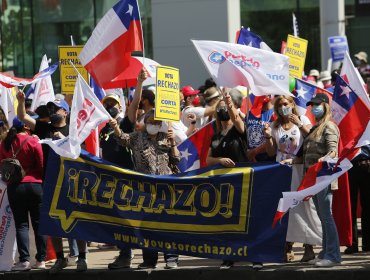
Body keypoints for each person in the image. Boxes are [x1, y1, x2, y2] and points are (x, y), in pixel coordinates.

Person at [17, 92, 89, 273]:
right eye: (51, 109)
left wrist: (65, 141)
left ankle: (82, 257)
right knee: (53, 222)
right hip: (50, 182)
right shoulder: (43, 128)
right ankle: (60, 258)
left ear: (65, 112)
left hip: (71, 183)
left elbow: (82, 156)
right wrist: (20, 101)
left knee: (75, 220)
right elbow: (22, 117)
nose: (52, 112)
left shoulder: (75, 130)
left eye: (56, 109)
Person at [110, 109, 180, 269]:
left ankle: (171, 258)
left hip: (165, 188)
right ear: (145, 123)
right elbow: (122, 139)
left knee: (166, 224)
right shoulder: (137, 137)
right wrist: (115, 127)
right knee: (146, 225)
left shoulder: (165, 138)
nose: (153, 125)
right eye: (150, 122)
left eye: (156, 123)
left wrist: (173, 142)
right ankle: (149, 260)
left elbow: (176, 159)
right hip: (144, 188)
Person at [264, 95, 322, 263]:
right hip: (282, 172)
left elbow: (313, 138)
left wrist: (299, 123)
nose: (284, 107)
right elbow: (270, 152)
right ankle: (286, 247)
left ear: (292, 104)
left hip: (300, 169)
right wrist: (267, 136)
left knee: (303, 208)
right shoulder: (275, 126)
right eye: (280, 104)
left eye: (286, 103)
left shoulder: (302, 119)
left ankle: (309, 248)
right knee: (285, 210)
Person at [206, 88, 249, 269]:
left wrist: (228, 101)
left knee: (243, 218)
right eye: (220, 108)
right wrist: (219, 160)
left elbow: (236, 118)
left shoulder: (239, 129)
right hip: (223, 184)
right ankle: (228, 255)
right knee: (226, 219)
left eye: (225, 107)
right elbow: (208, 159)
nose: (223, 110)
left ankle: (250, 253)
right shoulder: (216, 135)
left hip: (241, 180)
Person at [0, 117, 47, 271]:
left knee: (21, 224)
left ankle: (24, 260)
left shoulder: (5, 143)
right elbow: (41, 164)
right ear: (26, 127)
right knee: (39, 223)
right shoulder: (33, 141)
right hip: (35, 185)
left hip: (15, 187)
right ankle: (41, 260)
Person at [303, 93, 341, 267]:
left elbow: (333, 151)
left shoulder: (329, 127)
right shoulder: (316, 127)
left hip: (324, 177)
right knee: (322, 216)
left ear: (325, 106)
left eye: (317, 104)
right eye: (312, 105)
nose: (314, 108)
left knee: (326, 216)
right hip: (314, 179)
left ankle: (333, 256)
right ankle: (326, 252)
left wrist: (324, 158)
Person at [344, 144, 370, 254]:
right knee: (350, 207)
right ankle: (352, 244)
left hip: (368, 164)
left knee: (368, 206)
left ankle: (368, 243)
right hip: (349, 165)